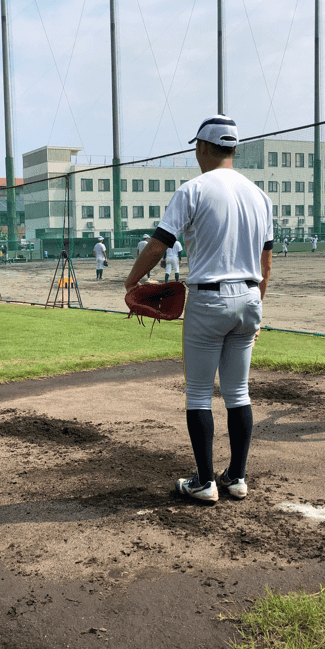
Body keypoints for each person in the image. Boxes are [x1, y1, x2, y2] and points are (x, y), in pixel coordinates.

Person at [124, 114, 273, 503]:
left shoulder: (194, 189)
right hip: (250, 297)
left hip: (209, 299)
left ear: (203, 148)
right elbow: (266, 262)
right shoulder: (260, 195)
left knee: (199, 393)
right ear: (233, 149)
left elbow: (158, 245)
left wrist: (130, 281)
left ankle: (204, 481)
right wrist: (258, 307)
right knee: (238, 392)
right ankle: (236, 478)